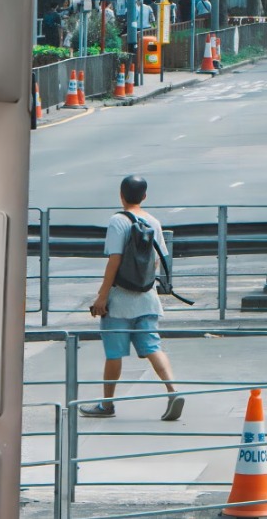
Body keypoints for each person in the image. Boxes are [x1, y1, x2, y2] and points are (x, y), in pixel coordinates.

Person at [80, 174, 184, 421]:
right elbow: (157, 260)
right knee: (152, 347)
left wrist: (101, 297)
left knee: (114, 353)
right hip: (147, 298)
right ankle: (173, 390)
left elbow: (114, 260)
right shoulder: (154, 222)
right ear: (145, 196)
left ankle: (107, 405)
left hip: (120, 300)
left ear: (121, 194)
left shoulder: (118, 221)